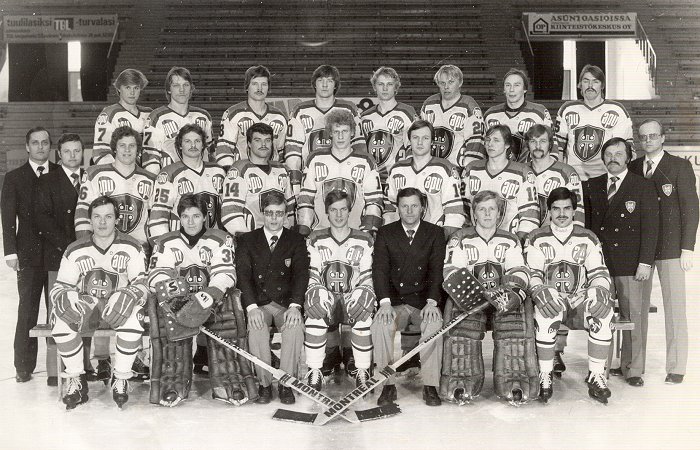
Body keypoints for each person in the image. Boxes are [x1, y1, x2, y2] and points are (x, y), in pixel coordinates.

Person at [148, 194, 255, 406]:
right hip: (179, 302)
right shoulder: (165, 241)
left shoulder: (220, 238)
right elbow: (156, 275)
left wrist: (208, 296)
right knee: (169, 321)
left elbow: (225, 273)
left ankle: (227, 379)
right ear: (179, 217)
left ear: (205, 216)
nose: (190, 222)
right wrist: (177, 301)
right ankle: (174, 381)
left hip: (212, 302)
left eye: (196, 216)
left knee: (228, 314)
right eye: (185, 216)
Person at [51, 196, 149, 409]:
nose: (102, 222)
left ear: (117, 220)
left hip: (118, 306)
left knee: (136, 315)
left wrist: (130, 294)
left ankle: (120, 377)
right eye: (97, 217)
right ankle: (76, 380)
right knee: (59, 319)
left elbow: (142, 283)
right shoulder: (75, 249)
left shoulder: (132, 246)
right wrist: (65, 297)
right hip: (89, 307)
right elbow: (60, 286)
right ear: (90, 220)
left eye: (108, 216)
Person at [74, 126, 156, 380]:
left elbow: (155, 217)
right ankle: (102, 359)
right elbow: (83, 211)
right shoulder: (96, 174)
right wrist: (87, 248)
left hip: (138, 249)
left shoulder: (149, 178)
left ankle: (137, 357)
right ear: (114, 149)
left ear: (139, 150)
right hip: (102, 249)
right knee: (100, 295)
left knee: (135, 302)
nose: (127, 150)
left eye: (132, 146)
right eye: (122, 146)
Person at [441, 190, 534, 405]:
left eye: (492, 209)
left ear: (499, 213)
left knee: (515, 319)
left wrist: (510, 291)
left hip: (501, 299)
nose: (487, 213)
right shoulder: (460, 238)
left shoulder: (510, 239)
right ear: (474, 213)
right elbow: (452, 270)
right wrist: (475, 294)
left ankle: (514, 380)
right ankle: (461, 380)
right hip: (471, 299)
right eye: (482, 209)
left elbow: (519, 269)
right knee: (461, 322)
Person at [525, 187, 614, 404]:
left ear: (574, 210)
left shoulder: (588, 237)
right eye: (556, 209)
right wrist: (539, 291)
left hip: (579, 298)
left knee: (603, 314)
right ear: (549, 211)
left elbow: (599, 272)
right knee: (546, 311)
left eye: (567, 208)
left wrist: (600, 290)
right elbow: (532, 274)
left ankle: (596, 375)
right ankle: (545, 373)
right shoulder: (536, 237)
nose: (562, 213)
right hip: (552, 299)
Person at [584, 137, 659, 387]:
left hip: (631, 264)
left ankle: (633, 369)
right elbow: (587, 228)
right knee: (599, 315)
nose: (613, 158)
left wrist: (645, 262)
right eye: (608, 154)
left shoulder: (643, 186)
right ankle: (599, 368)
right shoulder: (592, 185)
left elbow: (651, 228)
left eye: (618, 154)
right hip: (600, 265)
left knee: (633, 317)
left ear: (628, 157)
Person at [629, 119, 699, 384]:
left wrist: (687, 247)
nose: (648, 140)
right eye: (643, 137)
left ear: (663, 138)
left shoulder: (680, 166)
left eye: (653, 136)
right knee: (636, 310)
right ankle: (634, 366)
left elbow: (691, 208)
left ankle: (677, 366)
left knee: (674, 308)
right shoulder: (633, 167)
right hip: (641, 250)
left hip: (671, 247)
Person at [371, 187, 446, 406]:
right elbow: (380, 270)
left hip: (423, 302)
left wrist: (432, 302)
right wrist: (384, 303)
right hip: (395, 302)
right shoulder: (386, 233)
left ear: (422, 208)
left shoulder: (434, 233)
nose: (410, 211)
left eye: (414, 206)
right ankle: (387, 384)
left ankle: (430, 385)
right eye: (405, 206)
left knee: (434, 324)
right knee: (381, 325)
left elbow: (436, 271)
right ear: (398, 208)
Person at [236, 191, 309, 405]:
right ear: (262, 214)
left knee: (294, 328)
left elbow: (301, 275)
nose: (274, 218)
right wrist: (251, 308)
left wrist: (295, 306)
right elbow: (243, 276)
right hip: (259, 303)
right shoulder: (247, 240)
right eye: (269, 213)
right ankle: (265, 384)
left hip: (286, 303)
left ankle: (286, 383)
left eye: (279, 213)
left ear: (286, 215)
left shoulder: (296, 240)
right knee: (257, 328)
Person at [1, 127, 57, 383]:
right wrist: (10, 252)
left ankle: (56, 368)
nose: (40, 147)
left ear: (50, 146)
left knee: (58, 311)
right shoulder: (14, 178)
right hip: (28, 255)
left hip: (56, 254)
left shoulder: (59, 173)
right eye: (35, 143)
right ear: (27, 147)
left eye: (45, 142)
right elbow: (7, 218)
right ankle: (23, 366)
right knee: (27, 311)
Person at [303, 190, 375, 390]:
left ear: (349, 210)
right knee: (315, 311)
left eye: (343, 209)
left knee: (362, 312)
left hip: (352, 293)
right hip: (326, 294)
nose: (339, 214)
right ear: (326, 212)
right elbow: (313, 273)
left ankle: (362, 370)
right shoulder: (315, 238)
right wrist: (315, 291)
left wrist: (365, 291)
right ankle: (315, 370)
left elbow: (367, 274)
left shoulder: (364, 239)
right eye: (334, 210)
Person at [527, 123, 584, 375]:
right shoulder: (521, 170)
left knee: (560, 288)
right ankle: (535, 349)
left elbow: (577, 212)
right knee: (533, 293)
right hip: (530, 242)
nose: (537, 146)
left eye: (542, 141)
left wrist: (573, 242)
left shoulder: (566, 172)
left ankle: (557, 350)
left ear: (551, 144)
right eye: (533, 141)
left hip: (560, 242)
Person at [33, 133, 89, 386]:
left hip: (88, 258)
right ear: (59, 154)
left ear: (83, 152)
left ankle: (85, 365)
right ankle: (55, 370)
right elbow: (42, 219)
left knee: (85, 309)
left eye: (77, 150)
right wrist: (70, 247)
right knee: (58, 311)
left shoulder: (91, 177)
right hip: (59, 256)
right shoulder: (47, 180)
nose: (73, 155)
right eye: (67, 151)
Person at [296, 109, 383, 236]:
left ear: (352, 132)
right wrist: (304, 231)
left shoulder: (366, 161)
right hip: (320, 234)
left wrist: (367, 233)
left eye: (345, 131)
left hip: (356, 234)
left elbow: (374, 202)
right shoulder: (315, 159)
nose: (340, 137)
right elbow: (306, 200)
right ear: (330, 133)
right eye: (336, 132)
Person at [285, 64, 366, 194]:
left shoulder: (348, 108)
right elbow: (293, 151)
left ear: (335, 85)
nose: (324, 85)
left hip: (343, 176)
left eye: (329, 81)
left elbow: (359, 145)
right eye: (320, 80)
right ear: (314, 84)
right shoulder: (300, 110)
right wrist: (295, 183)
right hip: (312, 177)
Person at [385, 120, 465, 236]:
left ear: (432, 141)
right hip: (402, 238)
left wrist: (441, 240)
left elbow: (454, 213)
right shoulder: (397, 169)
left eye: (425, 138)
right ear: (409, 140)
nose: (420, 142)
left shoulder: (445, 169)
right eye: (415, 137)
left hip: (433, 237)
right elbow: (390, 209)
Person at [555, 64, 633, 180]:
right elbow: (558, 148)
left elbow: (626, 150)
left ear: (602, 85)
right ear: (580, 85)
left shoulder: (617, 110)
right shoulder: (567, 109)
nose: (590, 86)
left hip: (605, 178)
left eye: (595, 81)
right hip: (573, 178)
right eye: (586, 81)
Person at [148, 124, 226, 238]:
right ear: (180, 145)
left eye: (197, 141)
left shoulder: (218, 171)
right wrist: (164, 243)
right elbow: (158, 216)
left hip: (213, 240)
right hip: (181, 241)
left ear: (203, 144)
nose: (193, 145)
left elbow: (227, 209)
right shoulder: (169, 173)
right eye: (187, 141)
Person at [463, 125, 539, 241]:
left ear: (507, 144)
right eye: (487, 140)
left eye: (496, 140)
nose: (490, 144)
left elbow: (530, 216)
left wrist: (518, 243)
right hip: (475, 241)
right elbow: (464, 209)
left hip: (508, 241)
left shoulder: (522, 172)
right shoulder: (472, 169)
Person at [221, 122, 296, 236]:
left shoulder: (281, 169)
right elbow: (230, 210)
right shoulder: (239, 170)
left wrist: (286, 236)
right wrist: (246, 238)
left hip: (279, 238)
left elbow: (289, 210)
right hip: (251, 238)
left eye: (267, 140)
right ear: (249, 143)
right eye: (258, 140)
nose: (263, 144)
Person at [142, 66, 214, 174]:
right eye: (176, 85)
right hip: (169, 178)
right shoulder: (156, 117)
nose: (182, 90)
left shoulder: (203, 116)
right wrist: (158, 180)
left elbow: (210, 153)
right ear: (168, 89)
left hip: (199, 178)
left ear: (191, 88)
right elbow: (150, 158)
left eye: (186, 85)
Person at [215, 65, 288, 168]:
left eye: (264, 84)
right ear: (247, 86)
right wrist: (232, 172)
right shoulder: (233, 114)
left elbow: (282, 152)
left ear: (269, 87)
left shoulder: (279, 116)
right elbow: (224, 150)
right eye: (255, 84)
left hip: (271, 173)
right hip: (242, 172)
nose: (259, 88)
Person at [359, 67, 417, 195]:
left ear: (396, 87)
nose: (385, 88)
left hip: (398, 178)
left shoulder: (407, 112)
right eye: (381, 84)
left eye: (389, 84)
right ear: (374, 87)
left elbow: (413, 147)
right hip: (372, 178)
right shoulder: (365, 116)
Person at [420, 64, 485, 170]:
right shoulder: (429, 104)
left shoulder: (469, 106)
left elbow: (476, 140)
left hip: (456, 169)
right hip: (429, 167)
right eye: (442, 83)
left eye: (451, 82)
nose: (446, 87)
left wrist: (469, 169)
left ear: (460, 83)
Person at [483, 68, 553, 163]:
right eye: (508, 85)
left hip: (529, 169)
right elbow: (482, 147)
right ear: (504, 89)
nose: (511, 89)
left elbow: (552, 148)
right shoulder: (491, 114)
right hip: (498, 169)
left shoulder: (539, 112)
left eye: (516, 85)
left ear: (524, 89)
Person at [92, 68, 151, 165]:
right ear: (119, 88)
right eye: (128, 87)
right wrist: (118, 171)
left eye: (136, 88)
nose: (132, 92)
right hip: (121, 170)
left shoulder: (149, 113)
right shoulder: (109, 114)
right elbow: (100, 153)